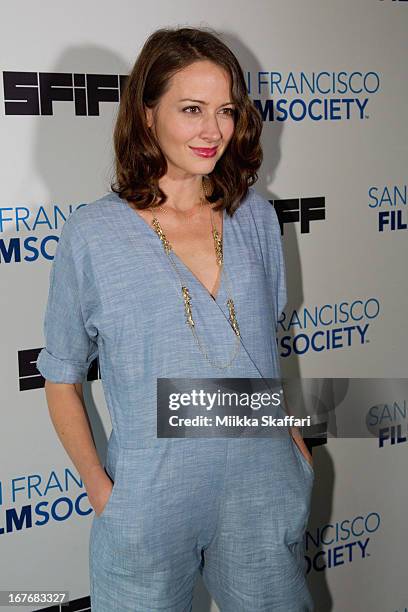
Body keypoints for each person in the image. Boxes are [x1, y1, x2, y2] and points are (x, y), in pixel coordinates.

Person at [37, 26, 315, 612]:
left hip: (262, 489)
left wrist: (288, 436)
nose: (213, 131)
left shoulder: (257, 218)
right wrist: (100, 487)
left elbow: (263, 349)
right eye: (192, 109)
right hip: (151, 498)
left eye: (226, 111)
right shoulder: (93, 234)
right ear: (146, 115)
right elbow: (61, 378)